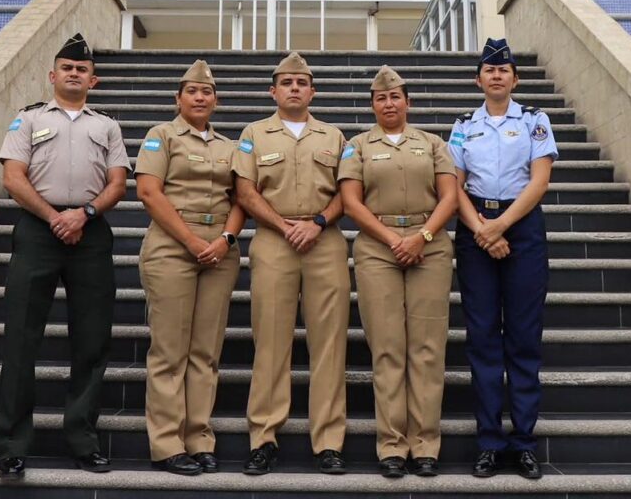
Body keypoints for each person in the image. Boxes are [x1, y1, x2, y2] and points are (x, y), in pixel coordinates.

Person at [0, 33, 130, 480]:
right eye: (66, 68)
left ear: (94, 78)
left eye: (82, 69)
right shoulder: (28, 119)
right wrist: (55, 217)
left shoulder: (106, 124)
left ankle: (83, 441)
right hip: (37, 231)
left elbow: (117, 183)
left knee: (91, 341)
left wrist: (83, 214)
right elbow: (14, 178)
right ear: (53, 75)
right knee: (20, 340)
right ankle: (12, 445)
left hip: (90, 234)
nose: (74, 73)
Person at [232, 52, 350, 476]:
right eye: (287, 82)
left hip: (325, 241)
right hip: (273, 241)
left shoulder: (334, 136)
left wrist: (317, 222)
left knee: (330, 344)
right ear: (274, 91)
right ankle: (264, 437)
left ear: (313, 90)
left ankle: (329, 442)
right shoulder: (253, 134)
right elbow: (245, 192)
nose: (295, 88)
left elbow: (347, 193)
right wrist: (284, 225)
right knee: (270, 343)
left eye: (302, 82)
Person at [338, 66, 457, 479]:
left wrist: (421, 236)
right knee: (387, 347)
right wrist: (393, 239)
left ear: (407, 101)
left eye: (395, 97)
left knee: (426, 349)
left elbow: (450, 196)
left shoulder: (433, 143)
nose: (388, 104)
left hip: (430, 245)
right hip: (376, 247)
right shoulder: (357, 146)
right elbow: (351, 203)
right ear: (372, 105)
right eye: (380, 98)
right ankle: (391, 445)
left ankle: (425, 444)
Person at [448, 37, 557, 481]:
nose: (497, 75)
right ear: (479, 79)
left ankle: (524, 442)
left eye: (504, 69)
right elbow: (452, 184)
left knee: (524, 338)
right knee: (483, 339)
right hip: (475, 227)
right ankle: (490, 442)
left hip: (522, 227)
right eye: (489, 70)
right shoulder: (462, 125)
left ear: (514, 77)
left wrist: (500, 226)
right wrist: (482, 229)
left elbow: (539, 181)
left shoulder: (534, 121)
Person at [136, 59, 245, 476]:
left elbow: (242, 199)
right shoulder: (160, 136)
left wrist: (225, 240)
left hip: (218, 253)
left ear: (215, 100)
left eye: (207, 92)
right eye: (192, 92)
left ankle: (199, 438)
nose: (200, 98)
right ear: (178, 98)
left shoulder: (230, 147)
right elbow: (148, 192)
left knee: (205, 351)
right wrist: (192, 241)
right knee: (169, 350)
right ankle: (166, 444)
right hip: (172, 248)